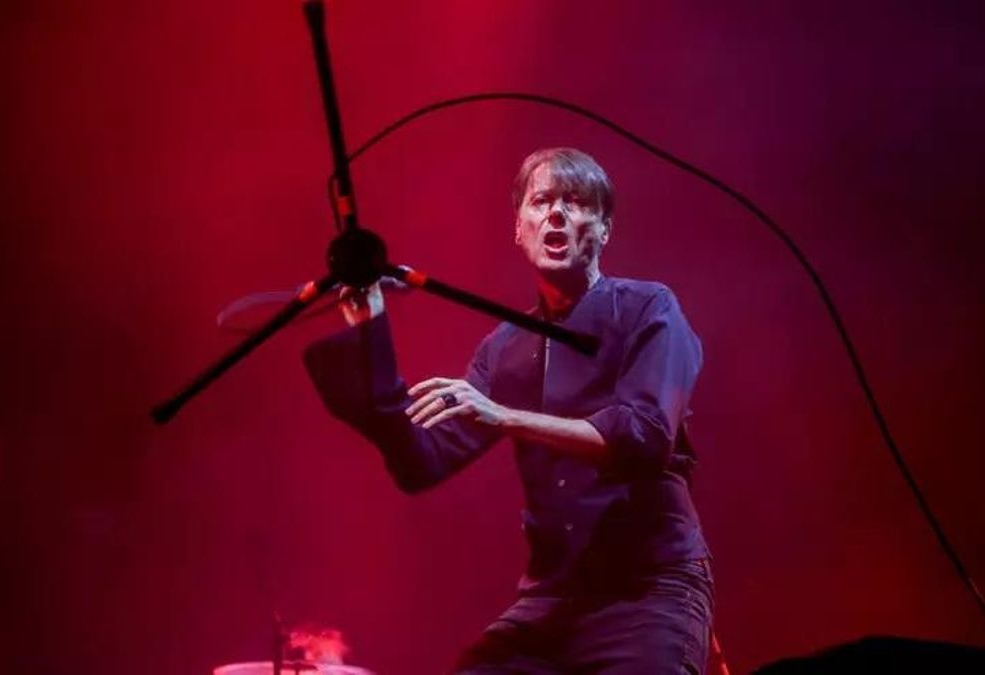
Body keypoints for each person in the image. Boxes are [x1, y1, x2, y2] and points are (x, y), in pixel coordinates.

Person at [303, 148, 713, 674]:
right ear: (519, 230)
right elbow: (421, 461)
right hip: (551, 599)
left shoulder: (648, 308)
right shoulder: (503, 349)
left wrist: (504, 416)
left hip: (647, 593)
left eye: (576, 202)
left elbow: (644, 437)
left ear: (605, 229)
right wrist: (371, 330)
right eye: (541, 201)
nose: (557, 213)